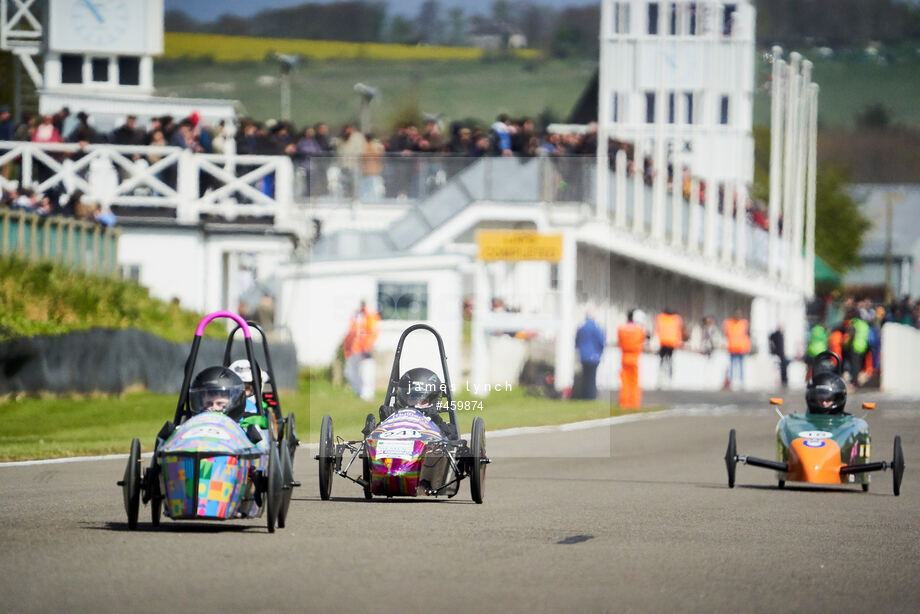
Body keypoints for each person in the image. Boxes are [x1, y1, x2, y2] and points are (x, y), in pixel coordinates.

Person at [392, 367, 454, 437]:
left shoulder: (437, 424)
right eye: (414, 399)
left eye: (423, 401)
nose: (417, 404)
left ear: (432, 402)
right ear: (405, 399)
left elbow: (451, 435)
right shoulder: (393, 418)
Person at [343, 300, 380, 401]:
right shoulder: (357, 316)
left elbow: (373, 332)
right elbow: (352, 332)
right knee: (350, 372)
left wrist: (368, 346)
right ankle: (359, 392)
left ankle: (367, 395)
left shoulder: (371, 317)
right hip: (354, 350)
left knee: (367, 373)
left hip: (365, 350)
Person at [617, 309, 647, 409]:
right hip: (635, 357)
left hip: (624, 356)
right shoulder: (640, 329)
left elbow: (620, 341)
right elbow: (643, 340)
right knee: (634, 382)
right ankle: (634, 403)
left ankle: (624, 403)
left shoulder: (621, 328)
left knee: (625, 382)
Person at [575, 307, 606, 400]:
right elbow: (602, 341)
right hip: (593, 356)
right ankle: (591, 397)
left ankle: (584, 396)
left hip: (583, 355)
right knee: (591, 378)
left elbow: (576, 341)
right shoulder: (596, 327)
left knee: (585, 377)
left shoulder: (581, 327)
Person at [654, 308, 683, 387]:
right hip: (671, 343)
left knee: (662, 361)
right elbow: (679, 331)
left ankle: (661, 377)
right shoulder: (676, 319)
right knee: (670, 361)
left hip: (663, 342)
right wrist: (678, 341)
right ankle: (670, 377)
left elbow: (657, 329)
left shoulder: (661, 318)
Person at [723, 309, 751, 390]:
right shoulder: (729, 323)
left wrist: (748, 346)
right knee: (732, 366)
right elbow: (727, 334)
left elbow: (747, 335)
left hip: (742, 348)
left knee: (741, 366)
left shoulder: (744, 323)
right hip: (732, 348)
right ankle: (732, 381)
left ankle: (741, 381)